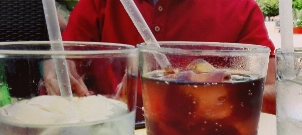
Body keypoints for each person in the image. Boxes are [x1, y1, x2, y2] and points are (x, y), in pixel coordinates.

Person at [52, 0, 276, 117]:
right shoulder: (100, 3)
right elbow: (65, 59)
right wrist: (57, 74)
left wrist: (213, 93)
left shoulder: (241, 9)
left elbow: (275, 91)